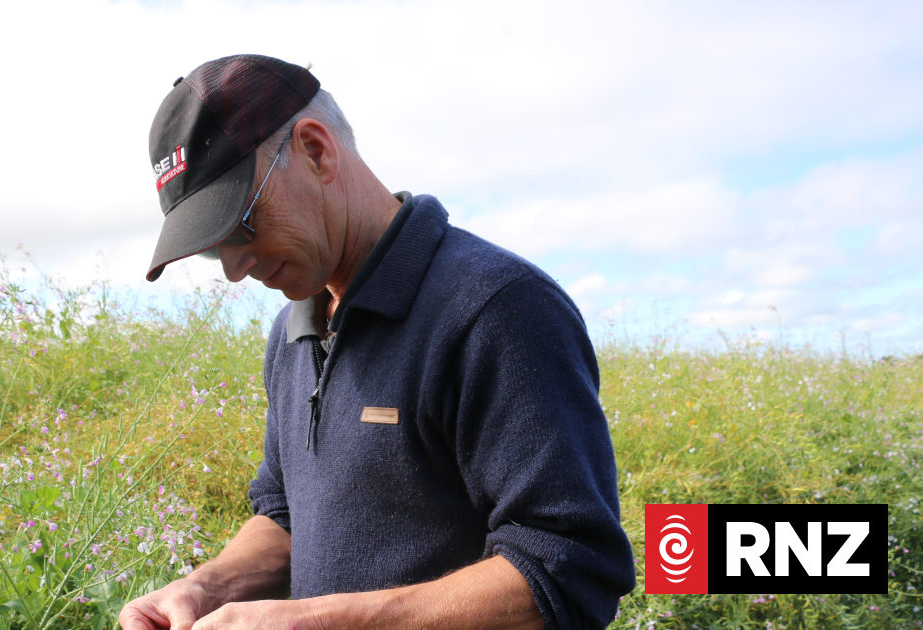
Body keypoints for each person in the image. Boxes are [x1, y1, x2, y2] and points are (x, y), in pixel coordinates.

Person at [121, 54, 635, 630]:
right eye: (212, 249)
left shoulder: (497, 309)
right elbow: (288, 516)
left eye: (240, 225)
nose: (235, 268)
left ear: (316, 151)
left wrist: (316, 623)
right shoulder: (293, 330)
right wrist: (203, 586)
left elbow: (568, 566)